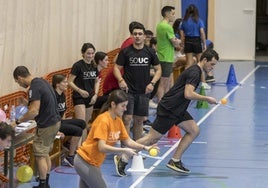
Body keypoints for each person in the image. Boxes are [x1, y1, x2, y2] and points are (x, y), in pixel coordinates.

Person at [115, 49, 219, 175]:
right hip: (170, 109)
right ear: (204, 60)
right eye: (212, 64)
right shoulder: (195, 72)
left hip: (178, 109)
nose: (212, 67)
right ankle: (123, 157)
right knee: (151, 139)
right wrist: (207, 98)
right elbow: (188, 94)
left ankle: (175, 160)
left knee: (194, 130)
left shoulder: (196, 71)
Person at [74, 90, 157, 187]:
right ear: (113, 104)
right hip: (84, 161)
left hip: (93, 162)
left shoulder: (118, 121)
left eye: (126, 106)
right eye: (123, 106)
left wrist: (145, 148)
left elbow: (128, 141)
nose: (125, 109)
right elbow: (102, 147)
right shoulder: (103, 120)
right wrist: (123, 150)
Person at [13, 66, 61, 188]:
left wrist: (18, 122)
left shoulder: (34, 87)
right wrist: (26, 103)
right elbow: (43, 102)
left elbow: (34, 112)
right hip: (54, 122)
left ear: (20, 77)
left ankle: (42, 185)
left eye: (18, 82)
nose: (19, 84)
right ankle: (46, 182)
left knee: (39, 155)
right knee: (44, 154)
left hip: (47, 125)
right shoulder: (41, 81)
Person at [113, 22, 161, 140]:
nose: (137, 36)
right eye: (135, 34)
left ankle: (137, 147)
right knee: (127, 118)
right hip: (128, 90)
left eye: (140, 34)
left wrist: (152, 83)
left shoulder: (150, 52)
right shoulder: (125, 52)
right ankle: (125, 146)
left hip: (144, 91)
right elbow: (116, 68)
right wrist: (120, 80)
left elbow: (159, 69)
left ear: (144, 36)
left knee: (139, 120)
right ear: (131, 36)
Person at [52, 74, 87, 167]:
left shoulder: (62, 95)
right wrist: (57, 131)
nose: (67, 84)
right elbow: (48, 116)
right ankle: (70, 157)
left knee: (82, 123)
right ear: (57, 84)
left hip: (60, 122)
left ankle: (69, 143)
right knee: (78, 131)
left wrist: (65, 123)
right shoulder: (52, 97)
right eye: (64, 82)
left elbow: (62, 112)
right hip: (53, 125)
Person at [68, 43, 100, 142]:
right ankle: (77, 150)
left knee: (85, 124)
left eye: (92, 54)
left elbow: (97, 81)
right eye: (88, 53)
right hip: (79, 97)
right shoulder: (78, 66)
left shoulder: (94, 66)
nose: (90, 56)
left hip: (90, 97)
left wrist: (95, 94)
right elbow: (69, 82)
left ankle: (84, 146)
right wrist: (79, 90)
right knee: (81, 123)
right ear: (83, 53)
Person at [179, 4, 210, 89]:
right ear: (196, 11)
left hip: (188, 41)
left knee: (188, 64)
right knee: (200, 63)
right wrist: (204, 44)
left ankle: (184, 83)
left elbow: (182, 36)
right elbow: (202, 33)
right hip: (196, 41)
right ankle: (203, 83)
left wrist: (182, 45)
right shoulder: (199, 20)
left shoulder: (183, 22)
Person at [156, 6, 180, 102]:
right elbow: (175, 42)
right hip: (165, 58)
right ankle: (160, 105)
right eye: (173, 14)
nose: (174, 16)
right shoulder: (167, 27)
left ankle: (167, 102)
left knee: (169, 82)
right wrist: (178, 41)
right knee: (163, 83)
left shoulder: (159, 25)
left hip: (166, 57)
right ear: (167, 14)